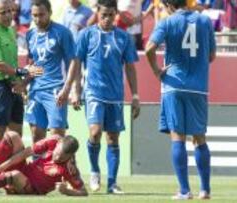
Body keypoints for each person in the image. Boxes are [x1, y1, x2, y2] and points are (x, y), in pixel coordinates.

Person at [145, 0, 216, 200]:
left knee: (178, 137)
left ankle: (185, 190)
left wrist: (157, 71)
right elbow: (211, 56)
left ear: (168, 4)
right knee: (200, 138)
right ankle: (205, 190)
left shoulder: (167, 22)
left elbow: (149, 48)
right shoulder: (204, 21)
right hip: (199, 87)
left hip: (174, 85)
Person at [72, 0, 140, 194]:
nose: (107, 18)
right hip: (93, 92)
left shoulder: (123, 38)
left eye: (111, 15)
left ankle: (112, 183)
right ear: (97, 14)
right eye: (104, 15)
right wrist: (76, 90)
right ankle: (94, 171)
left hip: (115, 95)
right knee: (95, 132)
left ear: (116, 14)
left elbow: (130, 66)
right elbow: (76, 63)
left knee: (113, 138)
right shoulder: (86, 35)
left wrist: (135, 95)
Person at [0, 0, 42, 177]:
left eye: (10, 11)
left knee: (15, 135)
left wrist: (20, 84)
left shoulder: (10, 31)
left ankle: (11, 177)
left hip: (13, 86)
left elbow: (12, 63)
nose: (8, 16)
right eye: (3, 12)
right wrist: (22, 71)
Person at [0, 131, 88, 196]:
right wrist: (0, 167)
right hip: (25, 170)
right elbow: (26, 152)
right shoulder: (54, 140)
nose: (57, 157)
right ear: (58, 143)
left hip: (32, 189)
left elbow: (83, 192)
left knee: (15, 175)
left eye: (62, 157)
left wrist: (68, 191)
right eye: (57, 153)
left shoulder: (71, 168)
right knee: (12, 136)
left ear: (70, 156)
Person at [24, 0, 79, 145]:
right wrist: (24, 84)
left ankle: (59, 168)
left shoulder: (62, 32)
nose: (37, 19)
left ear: (50, 13)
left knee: (56, 139)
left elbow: (73, 61)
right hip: (35, 91)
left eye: (41, 15)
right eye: (34, 15)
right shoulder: (30, 35)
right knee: (36, 136)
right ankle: (38, 168)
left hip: (56, 91)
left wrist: (68, 89)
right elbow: (32, 64)